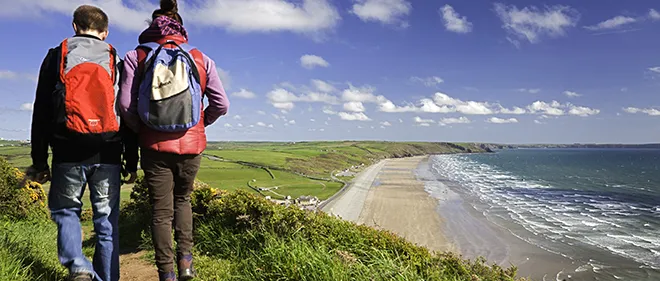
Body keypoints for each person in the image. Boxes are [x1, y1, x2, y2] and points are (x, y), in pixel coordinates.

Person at [118, 0, 229, 280]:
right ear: (180, 26)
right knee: (183, 201)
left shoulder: (137, 56)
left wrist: (144, 128)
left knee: (160, 211)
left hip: (154, 146)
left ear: (152, 28)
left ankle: (166, 273)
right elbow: (221, 104)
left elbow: (125, 105)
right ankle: (186, 265)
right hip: (192, 145)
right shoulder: (201, 58)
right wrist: (199, 123)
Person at [26, 4, 137, 281]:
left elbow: (41, 111)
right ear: (105, 32)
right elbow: (126, 109)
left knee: (66, 211)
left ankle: (79, 267)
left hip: (67, 150)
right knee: (106, 221)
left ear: (75, 27)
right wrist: (131, 160)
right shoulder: (115, 60)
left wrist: (39, 159)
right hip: (108, 150)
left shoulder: (57, 56)